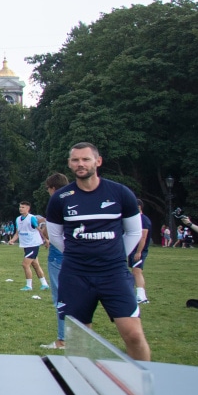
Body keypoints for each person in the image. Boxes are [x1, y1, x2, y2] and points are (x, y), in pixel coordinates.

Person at [45, 142, 150, 361]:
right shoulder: (60, 198)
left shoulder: (120, 193)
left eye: (85, 159)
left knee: (134, 335)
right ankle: (81, 390)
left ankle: (142, 390)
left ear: (98, 161)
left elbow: (133, 232)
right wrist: (78, 253)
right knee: (80, 341)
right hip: (76, 275)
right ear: (69, 164)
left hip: (114, 274)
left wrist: (115, 255)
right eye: (75, 160)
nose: (80, 164)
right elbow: (55, 236)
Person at [39, 173, 69, 349]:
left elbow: (51, 234)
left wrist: (43, 225)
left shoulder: (56, 202)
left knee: (61, 298)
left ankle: (62, 340)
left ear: (52, 188)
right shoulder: (77, 201)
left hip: (59, 254)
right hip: (79, 254)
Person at [7, 201, 49, 292]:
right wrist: (12, 240)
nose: (20, 209)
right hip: (26, 245)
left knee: (25, 264)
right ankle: (44, 284)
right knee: (35, 264)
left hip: (33, 244)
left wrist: (46, 239)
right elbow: (18, 233)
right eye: (20, 207)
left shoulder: (32, 218)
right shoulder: (18, 219)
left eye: (23, 207)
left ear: (28, 209)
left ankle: (29, 286)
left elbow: (40, 230)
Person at [129, 199, 151, 304]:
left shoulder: (143, 220)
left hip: (139, 250)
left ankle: (142, 297)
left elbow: (143, 237)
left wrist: (138, 252)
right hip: (134, 250)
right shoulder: (137, 219)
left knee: (137, 272)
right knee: (134, 272)